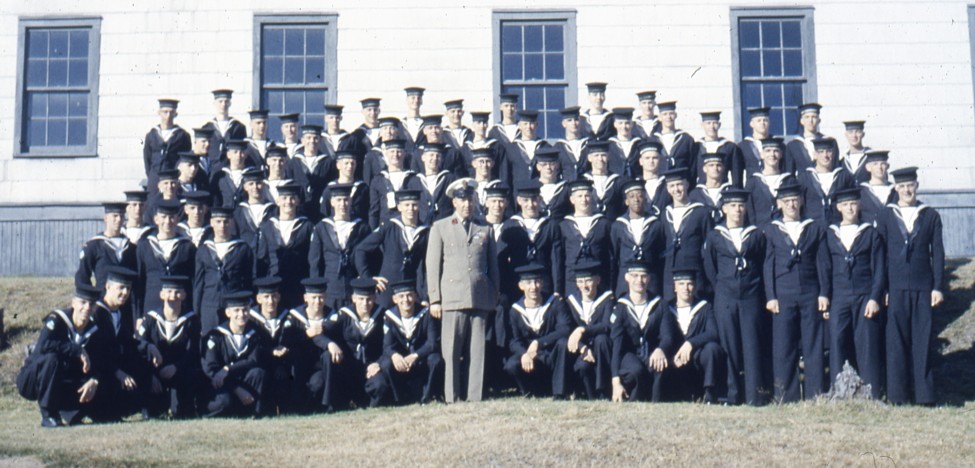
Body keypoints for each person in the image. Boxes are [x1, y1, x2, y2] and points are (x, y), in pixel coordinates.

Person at [426, 179, 500, 403]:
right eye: (462, 199)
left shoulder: (485, 228)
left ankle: (474, 396)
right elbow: (432, 265)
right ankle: (452, 396)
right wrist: (435, 299)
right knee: (451, 350)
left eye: (470, 199)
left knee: (477, 351)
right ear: (454, 201)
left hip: (479, 296)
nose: (467, 204)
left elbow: (492, 266)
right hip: (452, 297)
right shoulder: (441, 227)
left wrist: (494, 293)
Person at [877, 167, 944, 405]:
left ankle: (924, 396)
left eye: (910, 185)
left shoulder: (930, 215)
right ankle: (898, 396)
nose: (906, 190)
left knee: (922, 341)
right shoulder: (886, 216)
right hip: (895, 289)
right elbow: (881, 256)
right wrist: (882, 289)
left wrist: (937, 287)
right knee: (896, 342)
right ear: (895, 188)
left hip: (922, 287)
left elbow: (937, 253)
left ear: (917, 186)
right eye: (902, 186)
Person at [763, 183, 830, 402]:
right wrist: (771, 296)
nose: (792, 205)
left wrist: (823, 292)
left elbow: (822, 263)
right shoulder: (772, 230)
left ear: (801, 202)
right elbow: (768, 265)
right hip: (783, 294)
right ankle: (786, 395)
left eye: (795, 200)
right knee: (784, 346)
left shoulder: (814, 228)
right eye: (787, 201)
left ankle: (815, 394)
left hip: (810, 292)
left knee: (813, 343)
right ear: (779, 204)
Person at [702, 189, 770, 406]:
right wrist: (723, 287)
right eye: (732, 206)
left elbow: (761, 263)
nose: (737, 210)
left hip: (750, 296)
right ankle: (731, 395)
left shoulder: (756, 234)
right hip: (726, 296)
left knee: (752, 345)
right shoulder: (715, 236)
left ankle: (754, 395)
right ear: (724, 209)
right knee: (728, 345)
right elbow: (710, 267)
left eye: (741, 206)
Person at [16, 284, 110, 427]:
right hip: (32, 379)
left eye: (91, 304)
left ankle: (73, 414)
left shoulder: (94, 330)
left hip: (61, 380)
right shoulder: (58, 320)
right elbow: (44, 345)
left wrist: (94, 379)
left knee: (92, 379)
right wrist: (76, 349)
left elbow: (99, 360)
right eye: (82, 302)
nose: (86, 308)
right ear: (73, 303)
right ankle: (48, 415)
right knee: (52, 359)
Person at [825, 187, 886, 399]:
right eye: (845, 205)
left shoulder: (870, 233)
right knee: (837, 341)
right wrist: (826, 296)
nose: (850, 208)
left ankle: (871, 393)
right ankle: (838, 393)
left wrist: (874, 297)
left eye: (853, 204)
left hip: (863, 295)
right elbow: (825, 269)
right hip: (839, 296)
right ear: (838, 207)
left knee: (867, 344)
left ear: (859, 205)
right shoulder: (830, 234)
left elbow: (878, 269)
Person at [610, 260, 679, 402]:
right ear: (627, 278)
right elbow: (616, 345)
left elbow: (668, 336)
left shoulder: (660, 305)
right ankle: (634, 401)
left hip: (652, 352)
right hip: (629, 355)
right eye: (634, 276)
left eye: (643, 276)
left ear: (649, 279)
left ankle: (656, 405)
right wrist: (615, 382)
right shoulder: (620, 307)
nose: (639, 280)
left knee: (659, 366)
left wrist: (661, 349)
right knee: (636, 370)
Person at [137, 275, 202, 419]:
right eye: (169, 291)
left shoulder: (192, 320)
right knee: (155, 413)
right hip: (155, 373)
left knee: (181, 411)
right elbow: (139, 345)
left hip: (179, 372)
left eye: (178, 291)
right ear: (161, 294)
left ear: (184, 295)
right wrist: (151, 374)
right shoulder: (150, 319)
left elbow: (193, 351)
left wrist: (176, 367)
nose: (173, 296)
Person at [504, 264, 572, 399]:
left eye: (537, 282)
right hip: (530, 359)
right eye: (528, 283)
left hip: (551, 356)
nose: (533, 287)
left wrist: (539, 343)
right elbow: (513, 341)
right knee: (511, 365)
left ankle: (559, 392)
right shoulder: (515, 311)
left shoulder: (555, 303)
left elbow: (565, 329)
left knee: (563, 343)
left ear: (542, 283)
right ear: (521, 286)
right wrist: (523, 353)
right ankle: (529, 392)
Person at [92, 267, 147, 421]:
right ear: (108, 287)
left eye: (128, 288)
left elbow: (127, 342)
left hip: (115, 366)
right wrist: (117, 372)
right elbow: (97, 351)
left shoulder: (121, 313)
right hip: (99, 369)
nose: (125, 293)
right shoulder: (96, 313)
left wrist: (149, 347)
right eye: (120, 287)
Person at [201, 291, 267, 417]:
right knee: (225, 402)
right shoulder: (216, 336)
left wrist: (227, 369)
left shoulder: (254, 334)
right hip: (222, 385)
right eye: (236, 310)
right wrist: (236, 388)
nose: (241, 314)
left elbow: (253, 360)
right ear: (228, 313)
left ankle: (255, 414)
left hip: (241, 380)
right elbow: (211, 369)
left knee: (258, 372)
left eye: (245, 310)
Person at [284, 277, 345, 412]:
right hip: (299, 366)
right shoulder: (294, 316)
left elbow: (322, 331)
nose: (317, 302)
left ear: (326, 297)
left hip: (321, 367)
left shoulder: (333, 315)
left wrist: (325, 341)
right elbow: (288, 339)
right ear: (306, 298)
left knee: (317, 383)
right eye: (314, 298)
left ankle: (329, 404)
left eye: (321, 297)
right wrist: (310, 336)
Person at [308, 183, 372, 310]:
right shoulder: (322, 227)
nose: (342, 204)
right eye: (339, 200)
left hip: (353, 287)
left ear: (350, 201)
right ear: (332, 202)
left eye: (346, 200)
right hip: (330, 288)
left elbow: (370, 257)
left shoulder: (362, 227)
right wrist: (317, 289)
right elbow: (315, 261)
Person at [325, 278, 387, 408]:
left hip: (372, 366)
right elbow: (323, 331)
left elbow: (389, 344)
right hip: (349, 366)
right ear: (353, 298)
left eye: (369, 299)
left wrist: (379, 363)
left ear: (375, 298)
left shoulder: (382, 316)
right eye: (361, 299)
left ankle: (369, 406)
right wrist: (330, 344)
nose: (365, 303)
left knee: (380, 385)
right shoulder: (344, 315)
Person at [379, 280, 443, 405]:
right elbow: (387, 345)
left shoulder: (426, 314)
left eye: (409, 295)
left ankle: (427, 396)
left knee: (435, 359)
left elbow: (432, 343)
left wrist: (415, 356)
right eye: (401, 296)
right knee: (387, 363)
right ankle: (399, 399)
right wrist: (395, 356)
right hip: (402, 361)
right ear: (395, 299)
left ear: (415, 296)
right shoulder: (389, 316)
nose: (406, 300)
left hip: (420, 358)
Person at [193, 207, 254, 334]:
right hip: (209, 305)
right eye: (218, 221)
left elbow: (248, 280)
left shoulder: (242, 248)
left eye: (226, 221)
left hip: (233, 305)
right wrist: (196, 310)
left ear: (231, 222)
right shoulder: (203, 249)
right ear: (211, 222)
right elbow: (198, 283)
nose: (222, 225)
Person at [668, 269, 724, 403]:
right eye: (681, 284)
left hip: (697, 356)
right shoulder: (666, 308)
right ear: (675, 287)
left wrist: (691, 343)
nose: (686, 288)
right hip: (674, 357)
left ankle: (710, 393)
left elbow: (713, 332)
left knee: (712, 348)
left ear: (695, 286)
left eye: (690, 284)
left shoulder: (704, 307)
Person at [502, 180, 565, 297]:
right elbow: (502, 261)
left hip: (543, 283)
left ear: (540, 200)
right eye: (526, 200)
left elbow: (556, 260)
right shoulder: (510, 225)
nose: (530, 205)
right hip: (516, 283)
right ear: (519, 201)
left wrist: (557, 289)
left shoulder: (550, 225)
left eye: (534, 200)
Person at [135, 199, 196, 318]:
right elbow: (139, 283)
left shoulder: (187, 247)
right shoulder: (145, 246)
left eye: (172, 217)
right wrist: (138, 315)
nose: (167, 221)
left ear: (177, 219)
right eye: (163, 217)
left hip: (180, 307)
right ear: (156, 219)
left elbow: (193, 282)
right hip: (151, 305)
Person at [256, 183, 313, 310]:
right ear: (277, 201)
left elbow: (311, 257)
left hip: (298, 283)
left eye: (292, 198)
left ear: (298, 201)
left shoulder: (306, 226)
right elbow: (263, 258)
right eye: (284, 198)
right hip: (275, 284)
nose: (289, 202)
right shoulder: (268, 226)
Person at [564, 261, 615, 400]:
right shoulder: (570, 302)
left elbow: (607, 326)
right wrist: (582, 347)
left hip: (603, 350)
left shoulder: (608, 299)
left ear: (597, 280)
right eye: (580, 281)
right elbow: (568, 329)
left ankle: (604, 391)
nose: (584, 286)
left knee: (601, 339)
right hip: (581, 349)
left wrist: (583, 330)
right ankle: (590, 396)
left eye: (588, 281)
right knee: (582, 367)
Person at [661, 168, 713, 301]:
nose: (676, 189)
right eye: (672, 186)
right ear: (668, 189)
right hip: (670, 271)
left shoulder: (701, 212)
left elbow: (709, 245)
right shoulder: (664, 215)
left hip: (694, 270)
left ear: (687, 184)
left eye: (679, 184)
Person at [247, 276, 295, 414]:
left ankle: (288, 409)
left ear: (279, 297)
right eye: (266, 297)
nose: (270, 301)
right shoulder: (250, 319)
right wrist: (270, 352)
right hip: (259, 364)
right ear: (259, 299)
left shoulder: (287, 316)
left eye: (274, 296)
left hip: (283, 364)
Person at [611, 180, 665, 298]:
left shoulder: (655, 224)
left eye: (640, 196)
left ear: (645, 199)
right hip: (625, 279)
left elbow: (661, 254)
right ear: (626, 201)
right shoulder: (618, 225)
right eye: (631, 196)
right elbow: (614, 257)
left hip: (650, 279)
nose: (636, 199)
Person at [561, 179, 614, 296]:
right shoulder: (564, 225)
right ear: (572, 200)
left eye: (587, 196)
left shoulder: (603, 223)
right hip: (572, 279)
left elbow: (611, 257)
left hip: (598, 279)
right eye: (579, 196)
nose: (584, 200)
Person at [76, 202, 138, 288]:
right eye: (115, 216)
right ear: (105, 218)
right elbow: (83, 277)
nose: (119, 219)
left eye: (122, 216)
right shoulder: (94, 245)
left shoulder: (131, 248)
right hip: (102, 298)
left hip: (126, 297)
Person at [798, 138, 854, 224]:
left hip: (837, 226)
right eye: (821, 152)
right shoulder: (805, 178)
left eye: (828, 151)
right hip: (813, 226)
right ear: (815, 155)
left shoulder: (843, 176)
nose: (825, 155)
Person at [745, 137, 796, 227]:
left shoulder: (789, 181)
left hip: (784, 232)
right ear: (762, 155)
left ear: (781, 154)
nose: (772, 154)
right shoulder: (753, 182)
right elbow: (749, 212)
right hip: (761, 231)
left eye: (776, 151)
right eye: (768, 151)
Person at [289, 124, 336, 221]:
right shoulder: (294, 162)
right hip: (299, 210)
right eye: (308, 138)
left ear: (320, 140)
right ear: (302, 140)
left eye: (315, 138)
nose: (312, 141)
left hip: (321, 210)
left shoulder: (328, 162)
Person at [143, 98, 192, 186]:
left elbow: (185, 158)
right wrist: (151, 175)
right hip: (155, 178)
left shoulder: (182, 136)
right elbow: (147, 158)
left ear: (175, 114)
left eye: (171, 112)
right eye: (165, 112)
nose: (168, 116)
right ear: (159, 113)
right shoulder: (151, 135)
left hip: (173, 179)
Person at [200, 89, 248, 170]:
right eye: (220, 101)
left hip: (231, 168)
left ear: (230, 103)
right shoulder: (207, 128)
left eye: (226, 101)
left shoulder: (238, 127)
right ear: (214, 103)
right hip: (212, 169)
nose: (223, 104)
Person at [695, 111, 745, 188]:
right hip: (702, 189)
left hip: (723, 188)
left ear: (719, 125)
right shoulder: (696, 147)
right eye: (708, 123)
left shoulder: (729, 147)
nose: (712, 127)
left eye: (714, 123)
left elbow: (736, 174)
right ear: (702, 125)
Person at [785, 102, 838, 173]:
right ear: (801, 121)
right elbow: (790, 172)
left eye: (814, 117)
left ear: (819, 120)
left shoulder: (830, 142)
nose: (811, 120)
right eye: (807, 117)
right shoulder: (793, 145)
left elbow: (835, 167)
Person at [504, 110, 550, 186]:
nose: (528, 127)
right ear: (519, 125)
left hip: (539, 192)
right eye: (525, 124)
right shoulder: (511, 148)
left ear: (536, 125)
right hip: (518, 193)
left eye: (531, 123)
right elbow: (506, 175)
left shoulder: (545, 147)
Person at [583, 141, 625, 220]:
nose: (600, 159)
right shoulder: (583, 180)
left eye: (603, 155)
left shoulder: (618, 181)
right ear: (589, 158)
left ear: (608, 157)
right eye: (596, 155)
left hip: (612, 224)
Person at [653, 101, 696, 175]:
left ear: (676, 115)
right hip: (661, 180)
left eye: (671, 114)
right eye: (665, 114)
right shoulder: (653, 140)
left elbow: (693, 164)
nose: (668, 117)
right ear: (660, 117)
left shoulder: (686, 139)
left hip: (681, 181)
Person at [209, 139, 251, 208]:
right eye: (235, 152)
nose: (239, 156)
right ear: (228, 155)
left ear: (246, 155)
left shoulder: (251, 175)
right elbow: (214, 200)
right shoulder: (220, 176)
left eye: (241, 152)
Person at [858, 150, 896, 225]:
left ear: (888, 166)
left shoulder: (895, 190)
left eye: (882, 164)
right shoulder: (861, 191)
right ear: (868, 167)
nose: (879, 167)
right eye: (875, 164)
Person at [553, 106, 590, 182]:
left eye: (576, 120)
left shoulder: (589, 144)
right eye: (569, 120)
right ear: (564, 124)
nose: (574, 123)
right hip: (567, 187)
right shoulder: (558, 147)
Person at [633, 141, 672, 212]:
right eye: (647, 158)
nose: (651, 161)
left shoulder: (667, 184)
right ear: (641, 161)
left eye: (655, 158)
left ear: (659, 160)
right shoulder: (634, 184)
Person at [737, 107, 771, 176]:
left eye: (765, 120)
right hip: (752, 184)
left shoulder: (779, 145)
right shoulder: (742, 146)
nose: (762, 123)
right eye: (759, 120)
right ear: (751, 124)